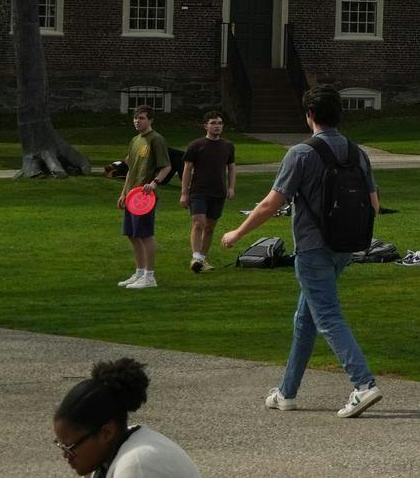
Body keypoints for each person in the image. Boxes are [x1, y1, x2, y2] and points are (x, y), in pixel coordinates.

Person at [219, 84, 382, 418]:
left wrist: (237, 232)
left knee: (327, 316)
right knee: (304, 319)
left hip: (312, 248)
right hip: (347, 246)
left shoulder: (301, 153)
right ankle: (287, 391)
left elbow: (269, 204)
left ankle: (363, 384)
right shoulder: (357, 152)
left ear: (309, 116)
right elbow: (375, 205)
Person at [52, 357, 200, 478]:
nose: (66, 455)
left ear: (107, 433)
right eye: (61, 445)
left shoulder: (137, 466)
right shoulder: (114, 451)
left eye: (70, 448)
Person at [116, 107, 173, 291]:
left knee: (145, 234)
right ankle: (139, 272)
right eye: (135, 118)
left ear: (150, 120)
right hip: (132, 196)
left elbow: (166, 167)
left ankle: (150, 276)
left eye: (141, 118)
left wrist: (154, 183)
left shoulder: (157, 140)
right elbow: (130, 169)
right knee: (132, 235)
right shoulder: (134, 141)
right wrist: (124, 193)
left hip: (145, 197)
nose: (137, 121)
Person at [179, 110, 236, 275]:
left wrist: (231, 187)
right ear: (206, 126)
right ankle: (195, 257)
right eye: (213, 123)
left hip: (218, 192)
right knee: (198, 223)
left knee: (210, 227)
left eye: (219, 123)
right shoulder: (196, 145)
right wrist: (184, 193)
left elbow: (231, 167)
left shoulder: (228, 146)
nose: (217, 126)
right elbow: (187, 169)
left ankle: (202, 259)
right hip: (198, 191)